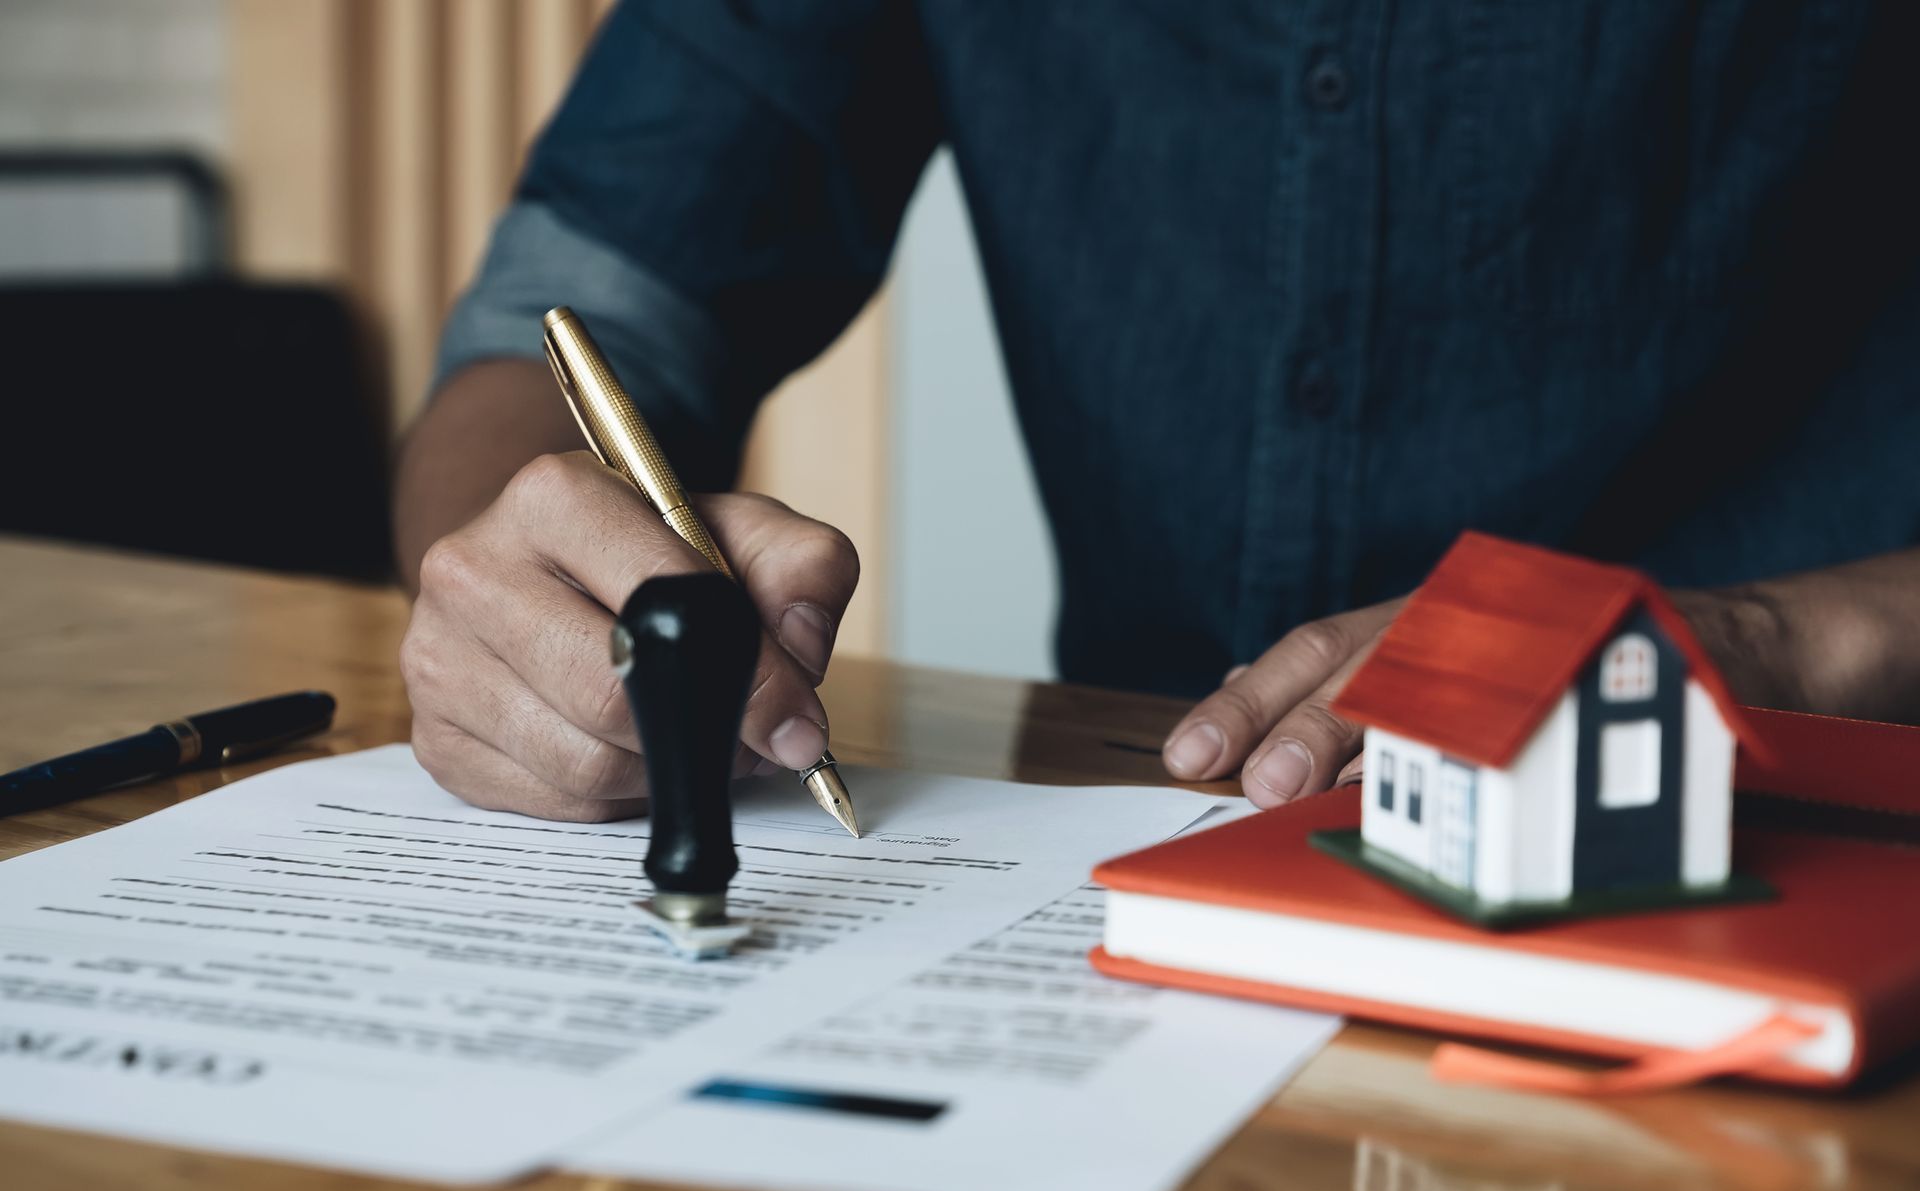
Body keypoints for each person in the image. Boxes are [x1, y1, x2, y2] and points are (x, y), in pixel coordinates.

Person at [395, 2, 1920, 823]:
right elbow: (593, 293)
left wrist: (1779, 642)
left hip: (1805, 825)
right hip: (1144, 860)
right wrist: (521, 579)